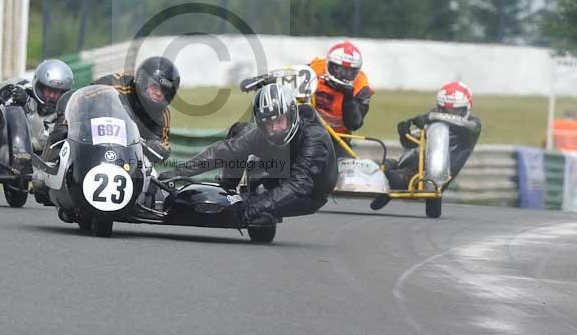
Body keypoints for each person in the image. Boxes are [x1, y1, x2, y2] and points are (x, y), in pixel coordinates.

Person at [158, 83, 337, 226]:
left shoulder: (314, 138)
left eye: (279, 121)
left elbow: (300, 185)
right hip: (278, 172)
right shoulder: (261, 132)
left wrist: (250, 208)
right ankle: (228, 186)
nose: (274, 129)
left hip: (310, 193)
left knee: (260, 216)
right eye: (268, 123)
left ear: (291, 115)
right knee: (240, 130)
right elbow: (225, 150)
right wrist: (177, 173)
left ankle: (255, 205)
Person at [371, 81, 482, 210]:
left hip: (434, 174)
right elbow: (410, 145)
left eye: (455, 111)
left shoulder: (473, 125)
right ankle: (380, 186)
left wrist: (431, 117)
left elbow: (460, 124)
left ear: (466, 108)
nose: (449, 113)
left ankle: (390, 184)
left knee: (395, 178)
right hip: (411, 164)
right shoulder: (432, 121)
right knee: (382, 166)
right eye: (444, 109)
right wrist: (405, 134)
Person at [93, 57, 179, 164]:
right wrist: (66, 123)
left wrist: (155, 146)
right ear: (143, 81)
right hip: (96, 145)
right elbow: (81, 96)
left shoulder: (163, 114)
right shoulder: (116, 84)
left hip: (129, 159)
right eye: (155, 86)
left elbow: (164, 148)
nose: (158, 93)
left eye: (164, 90)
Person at [307, 40, 373, 137]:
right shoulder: (314, 68)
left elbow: (353, 124)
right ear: (328, 64)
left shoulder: (362, 88)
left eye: (350, 71)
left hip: (337, 135)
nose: (343, 75)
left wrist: (348, 97)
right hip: (308, 127)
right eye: (338, 69)